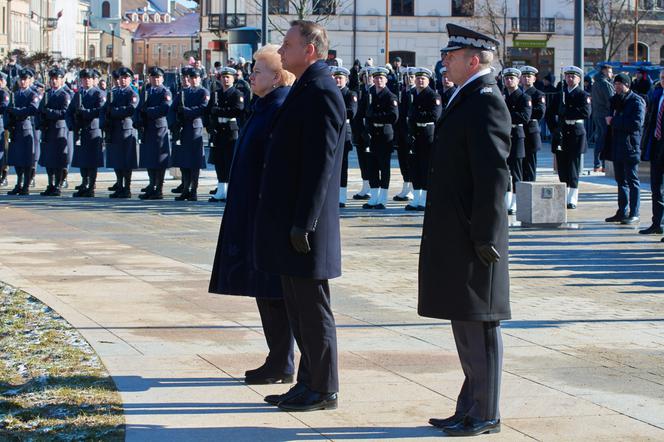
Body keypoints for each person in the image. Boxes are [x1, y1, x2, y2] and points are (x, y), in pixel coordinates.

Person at [420, 24, 510, 437]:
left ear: (473, 60)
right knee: (464, 320)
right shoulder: (466, 95)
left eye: (451, 57)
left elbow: (493, 174)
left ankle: (486, 412)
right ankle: (469, 405)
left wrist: (487, 234)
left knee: (480, 322)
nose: (445, 62)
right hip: (459, 229)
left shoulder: (486, 100)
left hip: (475, 235)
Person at [254, 20, 345, 412]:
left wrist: (304, 223)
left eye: (288, 44)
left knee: (312, 309)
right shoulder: (306, 86)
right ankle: (307, 383)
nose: (283, 49)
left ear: (310, 50)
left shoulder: (322, 90)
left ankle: (323, 388)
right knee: (298, 307)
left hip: (307, 225)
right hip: (294, 220)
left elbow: (320, 165)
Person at [209, 44, 296, 385]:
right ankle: (278, 359)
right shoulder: (265, 105)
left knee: (274, 292)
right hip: (251, 211)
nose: (251, 76)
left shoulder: (279, 107)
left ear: (275, 77)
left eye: (257, 71)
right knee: (265, 291)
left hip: (265, 214)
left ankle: (282, 361)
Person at [604, 73, 645, 225]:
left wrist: (614, 121)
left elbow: (636, 123)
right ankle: (622, 211)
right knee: (620, 181)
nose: (617, 87)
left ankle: (634, 212)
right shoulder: (615, 101)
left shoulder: (636, 101)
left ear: (627, 85)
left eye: (620, 84)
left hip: (630, 146)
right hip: (616, 145)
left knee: (632, 181)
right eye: (615, 84)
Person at [554, 66, 591, 209]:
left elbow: (586, 113)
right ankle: (563, 195)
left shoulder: (583, 95)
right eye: (568, 76)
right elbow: (551, 113)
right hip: (562, 132)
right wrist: (554, 128)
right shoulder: (560, 94)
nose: (570, 79)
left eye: (573, 76)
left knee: (573, 167)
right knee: (562, 166)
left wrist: (567, 112)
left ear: (579, 79)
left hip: (575, 131)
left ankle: (572, 198)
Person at [405, 67, 441, 211]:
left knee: (426, 167)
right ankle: (416, 198)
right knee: (415, 167)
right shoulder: (412, 94)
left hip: (427, 134)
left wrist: (416, 115)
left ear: (428, 80)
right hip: (415, 133)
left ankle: (425, 199)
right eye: (418, 78)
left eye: (423, 78)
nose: (420, 80)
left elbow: (434, 116)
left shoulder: (434, 96)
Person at [207, 66, 244, 203]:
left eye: (228, 77)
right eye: (223, 77)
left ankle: (229, 191)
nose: (225, 79)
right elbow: (208, 110)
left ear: (233, 79)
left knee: (229, 161)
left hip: (230, 131)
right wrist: (209, 124)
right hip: (218, 131)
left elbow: (237, 110)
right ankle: (221, 190)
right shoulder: (216, 94)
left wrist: (219, 111)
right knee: (219, 161)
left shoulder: (237, 94)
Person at [363, 67, 399, 210]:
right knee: (372, 166)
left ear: (386, 80)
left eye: (381, 78)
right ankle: (374, 197)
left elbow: (393, 116)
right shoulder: (370, 94)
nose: (378, 80)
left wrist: (374, 116)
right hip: (373, 134)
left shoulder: (391, 97)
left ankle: (383, 198)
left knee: (384, 166)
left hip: (384, 134)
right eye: (376, 78)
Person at [172, 68, 209, 201]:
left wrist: (186, 111)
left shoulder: (203, 92)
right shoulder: (183, 92)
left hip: (194, 128)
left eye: (195, 78)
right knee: (184, 160)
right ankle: (185, 188)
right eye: (191, 77)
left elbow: (203, 108)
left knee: (194, 161)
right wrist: (176, 120)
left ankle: (193, 190)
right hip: (184, 128)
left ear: (199, 79)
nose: (193, 80)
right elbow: (173, 108)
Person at [136, 67, 172, 200]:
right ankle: (152, 185)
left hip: (159, 128)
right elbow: (139, 108)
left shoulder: (165, 91)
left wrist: (148, 111)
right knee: (149, 159)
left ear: (162, 78)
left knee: (159, 160)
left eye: (158, 77)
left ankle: (159, 188)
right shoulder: (146, 91)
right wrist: (138, 120)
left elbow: (165, 108)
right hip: (147, 128)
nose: (155, 79)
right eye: (153, 77)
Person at [69, 68, 106, 198]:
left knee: (92, 161)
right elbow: (70, 111)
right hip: (80, 131)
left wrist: (85, 112)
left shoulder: (98, 93)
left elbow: (100, 110)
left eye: (89, 79)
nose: (86, 81)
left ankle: (91, 186)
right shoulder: (78, 94)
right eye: (84, 79)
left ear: (93, 80)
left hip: (93, 131)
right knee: (82, 160)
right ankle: (84, 184)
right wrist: (72, 124)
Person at [103, 67, 139, 198]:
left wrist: (114, 112)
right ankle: (119, 185)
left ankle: (127, 188)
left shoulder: (132, 93)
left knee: (126, 160)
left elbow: (130, 109)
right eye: (121, 78)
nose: (123, 80)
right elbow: (106, 108)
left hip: (126, 129)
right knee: (117, 159)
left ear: (130, 79)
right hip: (114, 128)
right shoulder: (114, 93)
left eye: (125, 78)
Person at [502, 67, 532, 215]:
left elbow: (524, 117)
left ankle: (515, 202)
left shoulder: (524, 97)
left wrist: (505, 117)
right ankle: (506, 200)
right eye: (506, 78)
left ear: (518, 80)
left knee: (516, 171)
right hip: (503, 135)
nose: (509, 80)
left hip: (517, 135)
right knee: (504, 171)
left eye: (512, 78)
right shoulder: (502, 96)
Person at [7, 69, 40, 195]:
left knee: (26, 159)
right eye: (21, 79)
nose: (22, 81)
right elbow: (8, 109)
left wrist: (17, 111)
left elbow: (32, 109)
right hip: (16, 129)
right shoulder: (15, 94)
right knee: (17, 159)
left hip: (27, 129)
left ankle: (25, 185)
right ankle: (19, 183)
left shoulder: (32, 94)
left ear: (29, 80)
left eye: (25, 79)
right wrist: (8, 122)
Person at [639, 69, 664, 236]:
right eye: (662, 77)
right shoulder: (658, 95)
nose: (663, 80)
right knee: (656, 188)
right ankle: (657, 223)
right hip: (656, 146)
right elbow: (651, 120)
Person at [331, 66, 358, 208]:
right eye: (335, 77)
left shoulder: (350, 94)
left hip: (343, 131)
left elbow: (351, 112)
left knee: (343, 165)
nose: (337, 80)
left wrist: (333, 112)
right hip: (331, 131)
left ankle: (342, 196)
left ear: (346, 80)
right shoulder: (330, 93)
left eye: (340, 78)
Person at [351, 66, 375, 200]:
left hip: (370, 131)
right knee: (362, 160)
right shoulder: (360, 91)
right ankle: (365, 184)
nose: (368, 78)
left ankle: (372, 186)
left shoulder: (374, 91)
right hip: (359, 130)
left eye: (370, 76)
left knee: (370, 160)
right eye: (365, 76)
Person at [393, 67, 416, 202]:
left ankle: (412, 188)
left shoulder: (415, 92)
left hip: (410, 132)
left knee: (411, 161)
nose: (409, 79)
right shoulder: (402, 92)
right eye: (407, 77)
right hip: (401, 132)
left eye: (411, 77)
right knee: (403, 161)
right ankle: (406, 186)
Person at [520, 66, 545, 182]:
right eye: (524, 76)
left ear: (534, 79)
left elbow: (540, 112)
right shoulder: (517, 93)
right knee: (519, 163)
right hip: (519, 130)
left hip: (531, 130)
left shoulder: (538, 94)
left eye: (529, 77)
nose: (526, 79)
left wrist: (525, 112)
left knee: (530, 162)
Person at [591, 63, 614, 173]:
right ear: (604, 71)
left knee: (600, 138)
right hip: (605, 115)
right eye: (610, 72)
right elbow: (611, 100)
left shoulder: (596, 82)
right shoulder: (604, 84)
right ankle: (601, 164)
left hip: (597, 114)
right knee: (604, 139)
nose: (612, 74)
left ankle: (598, 164)